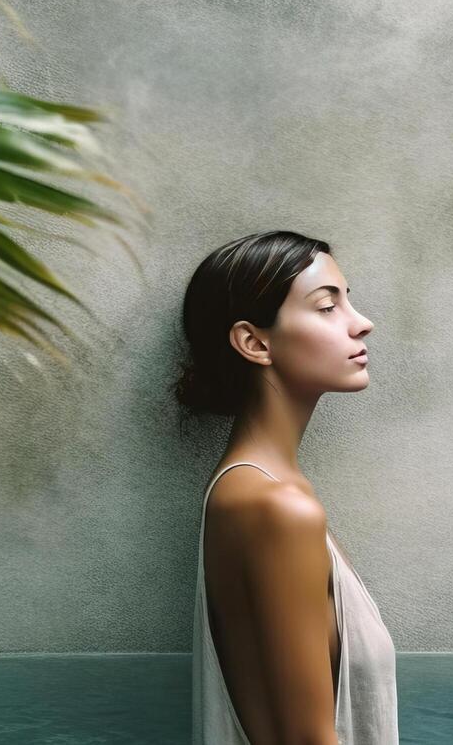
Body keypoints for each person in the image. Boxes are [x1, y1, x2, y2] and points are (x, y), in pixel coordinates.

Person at [178, 230, 399, 745]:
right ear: (255, 343)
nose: (361, 322)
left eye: (349, 300)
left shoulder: (260, 492)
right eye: (327, 307)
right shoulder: (276, 508)